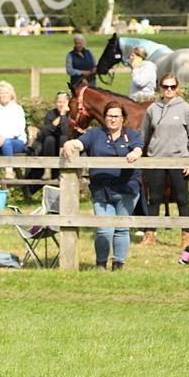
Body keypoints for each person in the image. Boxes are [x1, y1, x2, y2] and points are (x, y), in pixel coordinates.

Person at [63, 102, 144, 270]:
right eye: (110, 116)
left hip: (127, 189)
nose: (113, 120)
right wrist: (69, 144)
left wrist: (134, 154)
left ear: (123, 119)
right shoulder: (95, 134)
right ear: (104, 118)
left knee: (122, 228)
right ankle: (101, 263)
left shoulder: (132, 135)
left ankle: (118, 264)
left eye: (116, 116)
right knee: (104, 229)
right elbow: (80, 144)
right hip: (101, 189)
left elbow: (138, 149)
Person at [138, 74, 189, 251]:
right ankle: (150, 234)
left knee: (181, 198)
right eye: (166, 86)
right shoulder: (152, 109)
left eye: (172, 86)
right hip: (156, 159)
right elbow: (143, 135)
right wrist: (137, 153)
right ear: (160, 88)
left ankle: (186, 236)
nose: (169, 90)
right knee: (154, 198)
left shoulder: (186, 109)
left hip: (179, 159)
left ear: (177, 88)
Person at [33, 91, 72, 178]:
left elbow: (65, 131)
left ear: (68, 103)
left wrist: (64, 116)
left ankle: (63, 170)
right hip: (50, 147)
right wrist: (60, 117)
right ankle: (47, 170)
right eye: (59, 102)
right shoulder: (51, 114)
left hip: (65, 144)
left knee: (63, 138)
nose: (61, 105)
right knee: (49, 139)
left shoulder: (71, 114)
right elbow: (44, 133)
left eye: (64, 102)